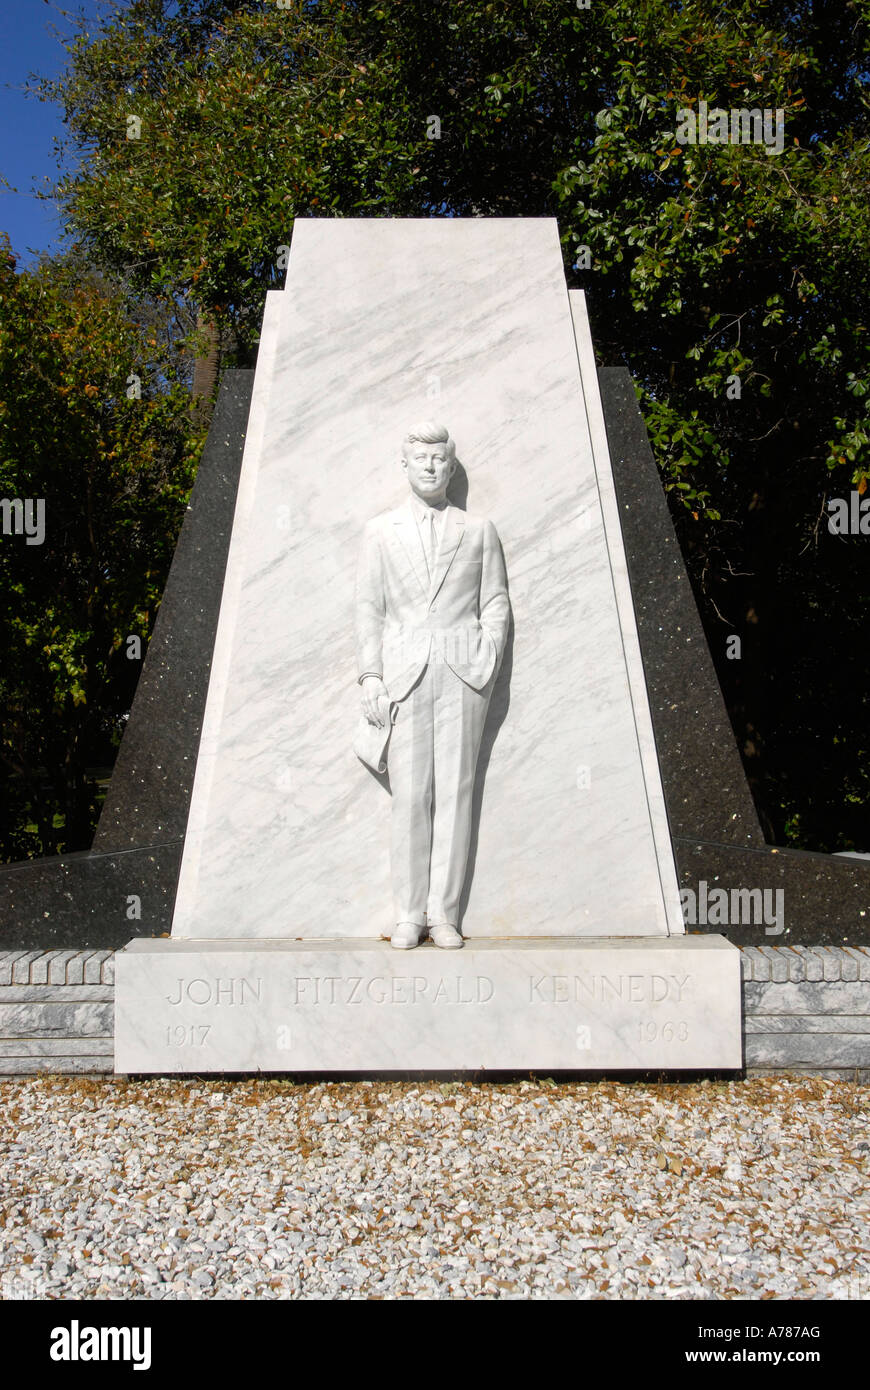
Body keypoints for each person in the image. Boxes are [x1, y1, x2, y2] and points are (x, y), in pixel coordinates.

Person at [355, 423, 510, 949]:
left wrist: (485, 657)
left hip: (463, 673)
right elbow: (368, 610)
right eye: (419, 458)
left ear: (450, 465)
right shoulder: (380, 532)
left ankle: (444, 915)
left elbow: (495, 602)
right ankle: (408, 913)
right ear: (405, 464)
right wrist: (371, 675)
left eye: (438, 459)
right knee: (411, 797)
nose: (428, 466)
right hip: (404, 676)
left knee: (456, 792)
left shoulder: (479, 529)